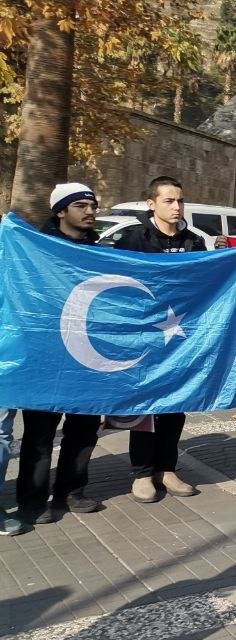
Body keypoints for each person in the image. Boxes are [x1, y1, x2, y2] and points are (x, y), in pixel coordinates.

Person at [15, 183, 106, 525]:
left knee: (83, 428)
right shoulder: (38, 250)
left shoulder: (100, 251)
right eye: (81, 205)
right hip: (46, 355)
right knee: (40, 434)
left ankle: (71, 491)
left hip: (87, 356)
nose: (90, 211)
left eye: (92, 205)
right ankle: (32, 499)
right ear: (60, 211)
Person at [113, 177, 207, 503]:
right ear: (151, 203)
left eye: (180, 200)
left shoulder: (195, 242)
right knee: (146, 407)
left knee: (175, 405)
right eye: (169, 201)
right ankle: (141, 473)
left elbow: (206, 286)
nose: (177, 207)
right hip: (143, 338)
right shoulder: (132, 239)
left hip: (179, 337)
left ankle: (167, 468)